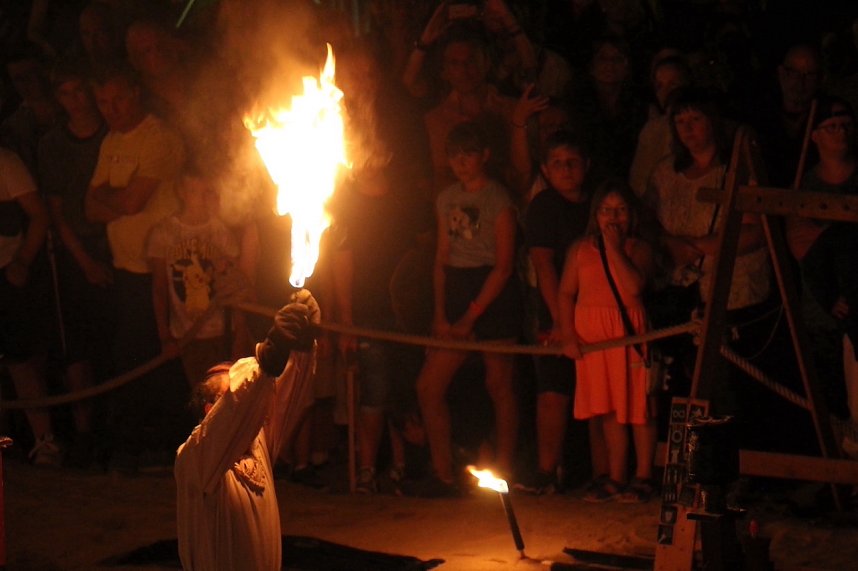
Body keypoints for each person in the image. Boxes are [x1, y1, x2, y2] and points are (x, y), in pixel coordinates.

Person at [84, 64, 187, 473]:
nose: (111, 109)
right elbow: (89, 207)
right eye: (103, 102)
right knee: (131, 357)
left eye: (118, 99)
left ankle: (165, 445)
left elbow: (130, 204)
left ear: (136, 94)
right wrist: (115, 198)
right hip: (124, 269)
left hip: (158, 270)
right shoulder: (110, 140)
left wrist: (112, 198)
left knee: (156, 358)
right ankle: (143, 445)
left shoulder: (159, 138)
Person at [409, 121, 521, 497]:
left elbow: (504, 265)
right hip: (457, 287)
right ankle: (442, 473)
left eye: (468, 153)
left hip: (493, 291)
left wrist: (472, 316)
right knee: (429, 385)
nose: (461, 161)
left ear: (484, 155)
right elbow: (441, 258)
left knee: (498, 382)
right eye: (454, 154)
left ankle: (505, 469)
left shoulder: (498, 200)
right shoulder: (446, 199)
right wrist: (441, 314)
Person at [175, 290, 319, 571]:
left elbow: (285, 393)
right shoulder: (195, 459)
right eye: (233, 386)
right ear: (210, 410)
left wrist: (301, 346)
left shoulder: (259, 444)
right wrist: (268, 356)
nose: (252, 399)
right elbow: (237, 408)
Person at [558, 179, 657, 503]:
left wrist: (614, 247)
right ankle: (616, 476)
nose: (613, 217)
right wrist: (568, 334)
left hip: (627, 337)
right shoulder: (580, 249)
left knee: (638, 407)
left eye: (620, 210)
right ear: (595, 214)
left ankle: (643, 475)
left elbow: (633, 287)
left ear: (632, 215)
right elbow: (566, 292)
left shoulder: (638, 249)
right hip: (593, 341)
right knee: (610, 409)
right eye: (605, 210)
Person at [37, 58, 110, 468]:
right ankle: (84, 434)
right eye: (65, 93)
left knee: (113, 342)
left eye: (80, 90)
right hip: (76, 248)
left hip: (114, 244)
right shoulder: (53, 145)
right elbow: (58, 213)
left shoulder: (111, 134)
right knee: (78, 345)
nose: (75, 100)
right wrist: (84, 262)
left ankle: (113, 429)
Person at [516, 130, 591, 495]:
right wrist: (560, 322)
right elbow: (543, 265)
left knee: (598, 391)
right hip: (556, 310)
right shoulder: (544, 206)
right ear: (545, 169)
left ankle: (598, 472)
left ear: (585, 165)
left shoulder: (598, 202)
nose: (565, 170)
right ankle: (546, 471)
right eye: (557, 163)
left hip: (599, 308)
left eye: (572, 162)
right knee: (553, 388)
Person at [146, 165, 252, 390]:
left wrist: (241, 332)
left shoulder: (220, 232)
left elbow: (236, 287)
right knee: (204, 399)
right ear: (181, 192)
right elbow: (159, 288)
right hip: (188, 335)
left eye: (206, 193)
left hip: (224, 332)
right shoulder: (164, 233)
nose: (201, 199)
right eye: (194, 192)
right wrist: (165, 336)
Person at [0, 145, 58, 466]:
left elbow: (38, 215)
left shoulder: (5, 162)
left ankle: (43, 440)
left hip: (5, 272)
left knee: (19, 359)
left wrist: (21, 261)